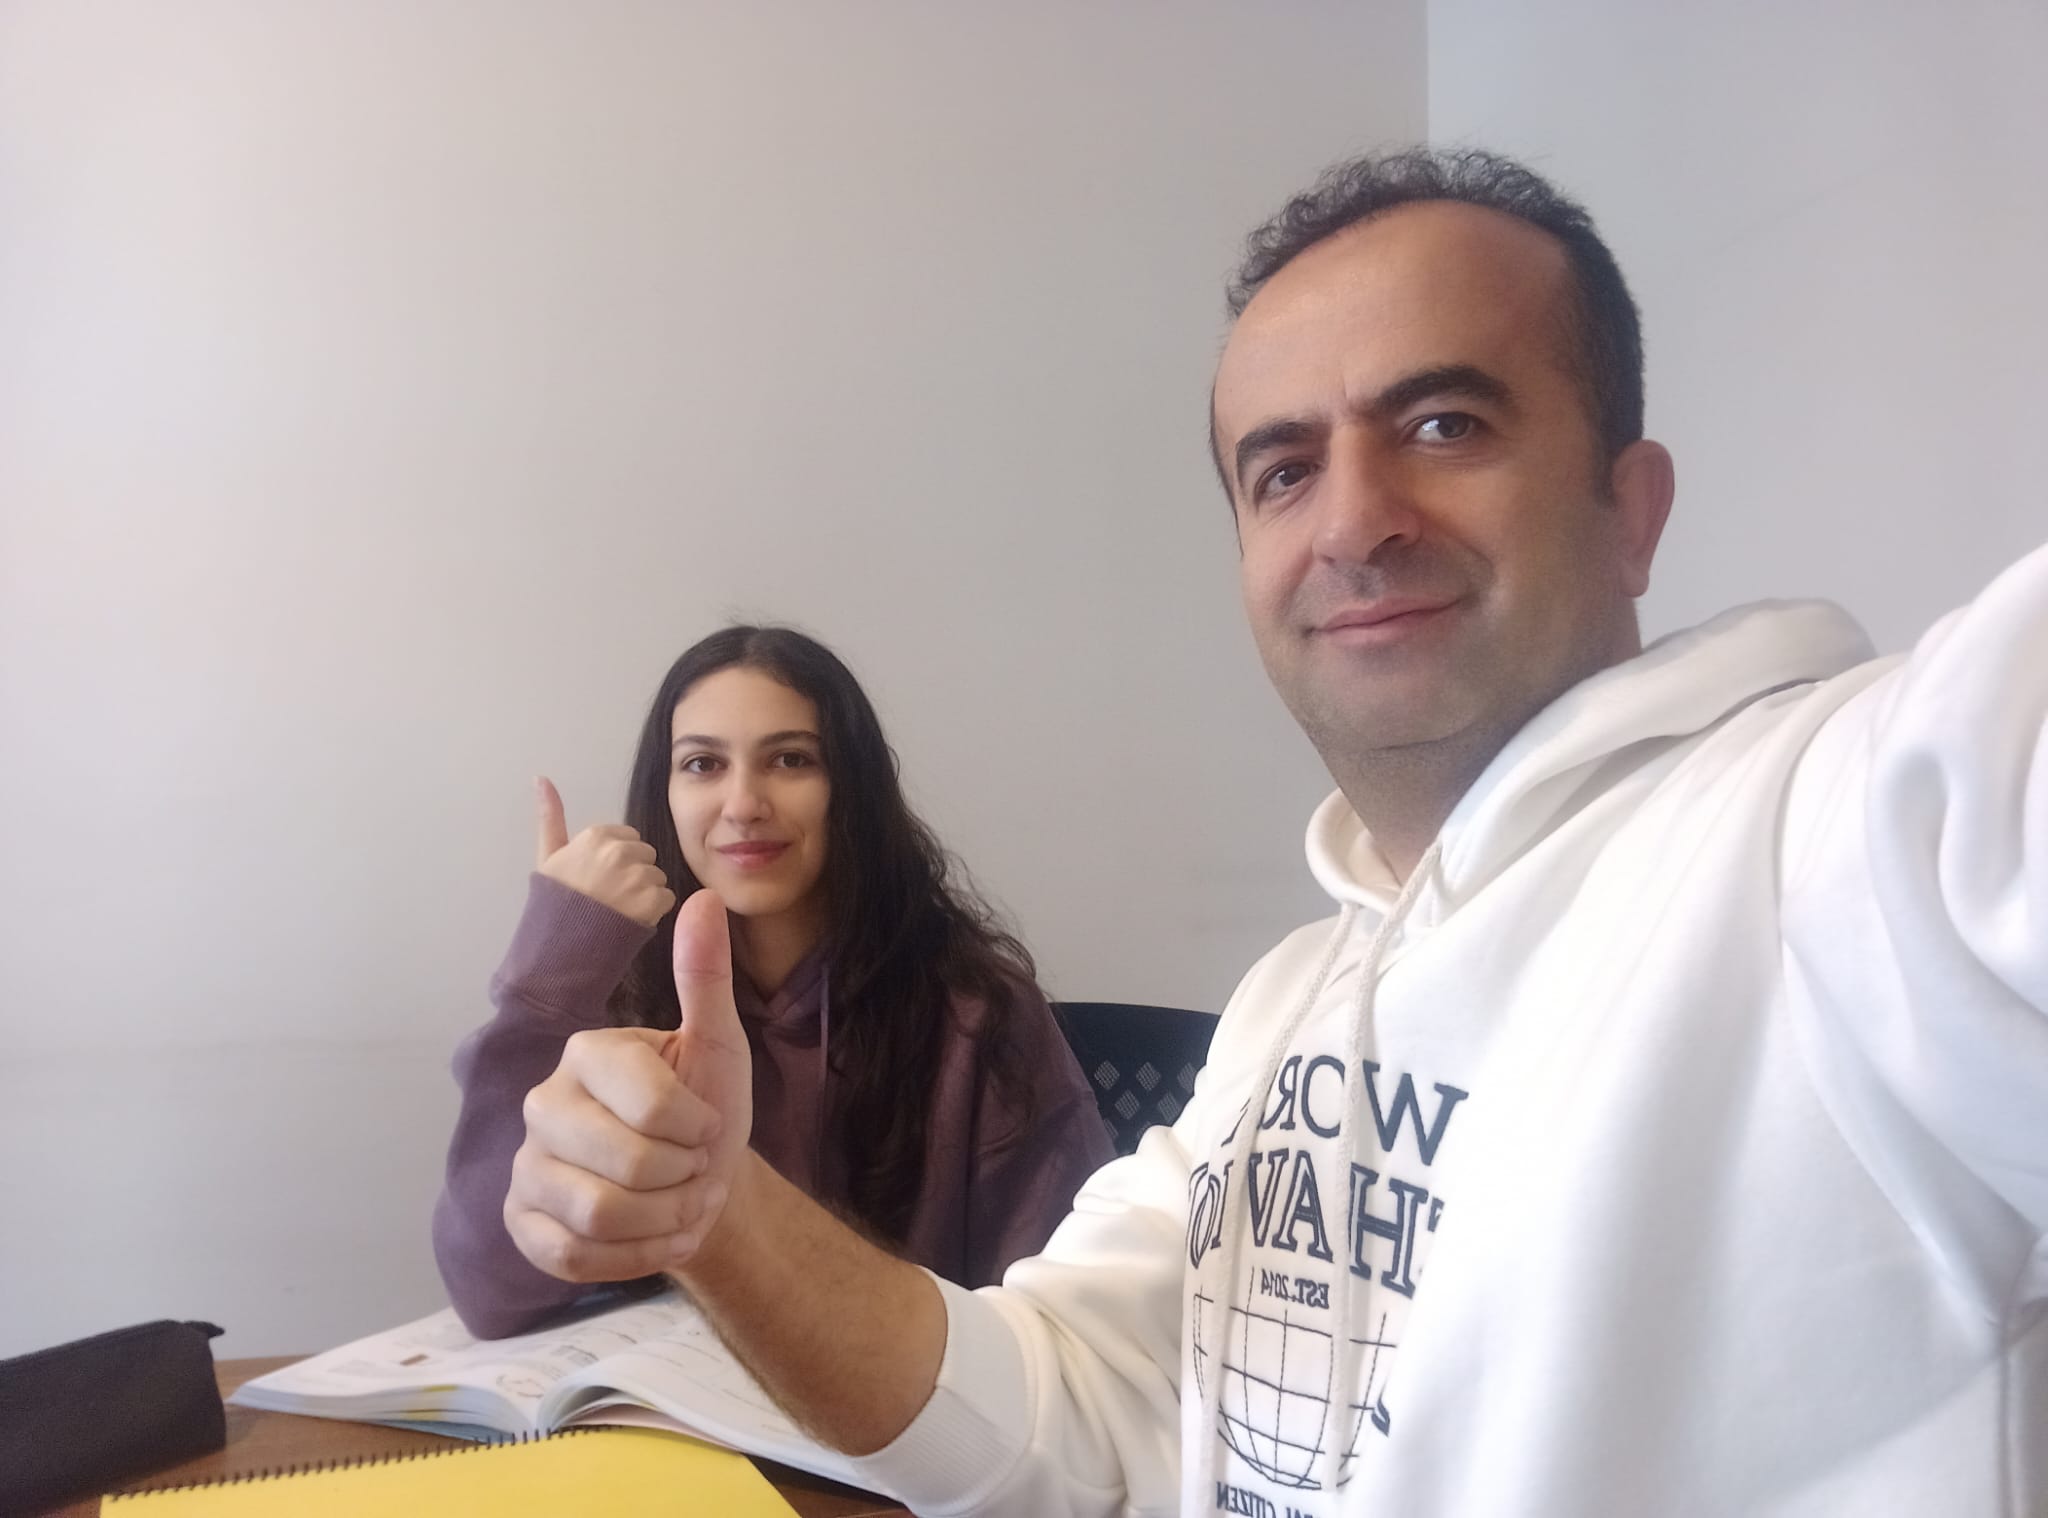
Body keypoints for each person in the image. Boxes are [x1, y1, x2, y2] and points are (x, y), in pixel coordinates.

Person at [497, 150, 2048, 1516]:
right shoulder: (1290, 1001)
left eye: (1443, 421)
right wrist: (717, 1212)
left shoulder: (1842, 833)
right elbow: (1064, 1407)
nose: (1354, 518)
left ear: (1629, 509)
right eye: (1285, 468)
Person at [433, 624, 1112, 1338]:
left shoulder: (978, 1016)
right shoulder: (614, 1005)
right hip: (663, 1401)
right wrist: (549, 985)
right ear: (665, 794)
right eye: (703, 764)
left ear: (850, 788)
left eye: (790, 759)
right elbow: (491, 1297)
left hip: (905, 1399)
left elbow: (1066, 1331)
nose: (743, 804)